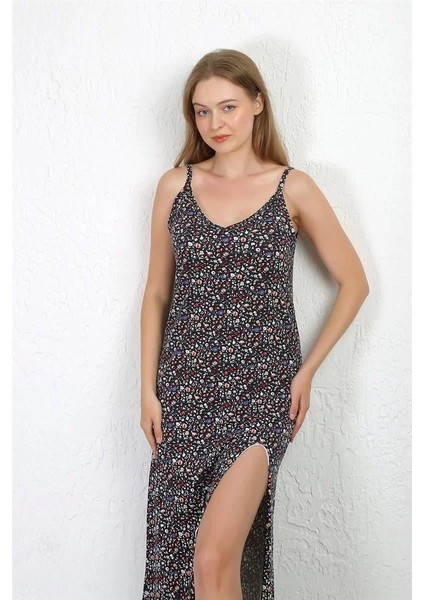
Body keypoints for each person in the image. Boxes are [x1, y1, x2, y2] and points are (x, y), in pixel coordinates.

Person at [140, 48, 369, 600]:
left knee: (214, 557)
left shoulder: (293, 188)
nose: (215, 123)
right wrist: (146, 391)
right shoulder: (175, 185)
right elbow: (156, 294)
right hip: (184, 390)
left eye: (228, 107)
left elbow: (354, 283)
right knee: (181, 562)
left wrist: (307, 372)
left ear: (258, 104)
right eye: (202, 111)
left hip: (261, 392)